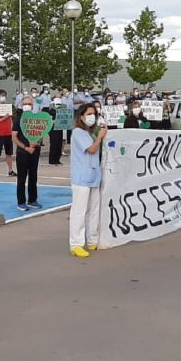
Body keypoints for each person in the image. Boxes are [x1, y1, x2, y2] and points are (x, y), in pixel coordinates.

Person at [69, 103, 107, 259]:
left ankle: (92, 239)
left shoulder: (89, 133)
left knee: (94, 210)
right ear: (82, 116)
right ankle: (76, 244)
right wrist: (99, 137)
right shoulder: (78, 133)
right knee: (79, 211)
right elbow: (91, 149)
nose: (92, 117)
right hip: (82, 178)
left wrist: (101, 132)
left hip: (93, 177)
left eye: (94, 114)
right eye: (89, 114)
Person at [13, 96, 42, 211]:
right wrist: (26, 147)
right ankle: (21, 202)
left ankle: (32, 200)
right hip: (22, 152)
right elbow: (14, 137)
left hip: (35, 151)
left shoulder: (36, 119)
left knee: (33, 176)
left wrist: (36, 143)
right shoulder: (18, 119)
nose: (27, 106)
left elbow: (41, 133)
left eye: (29, 104)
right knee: (21, 177)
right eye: (25, 103)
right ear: (21, 105)